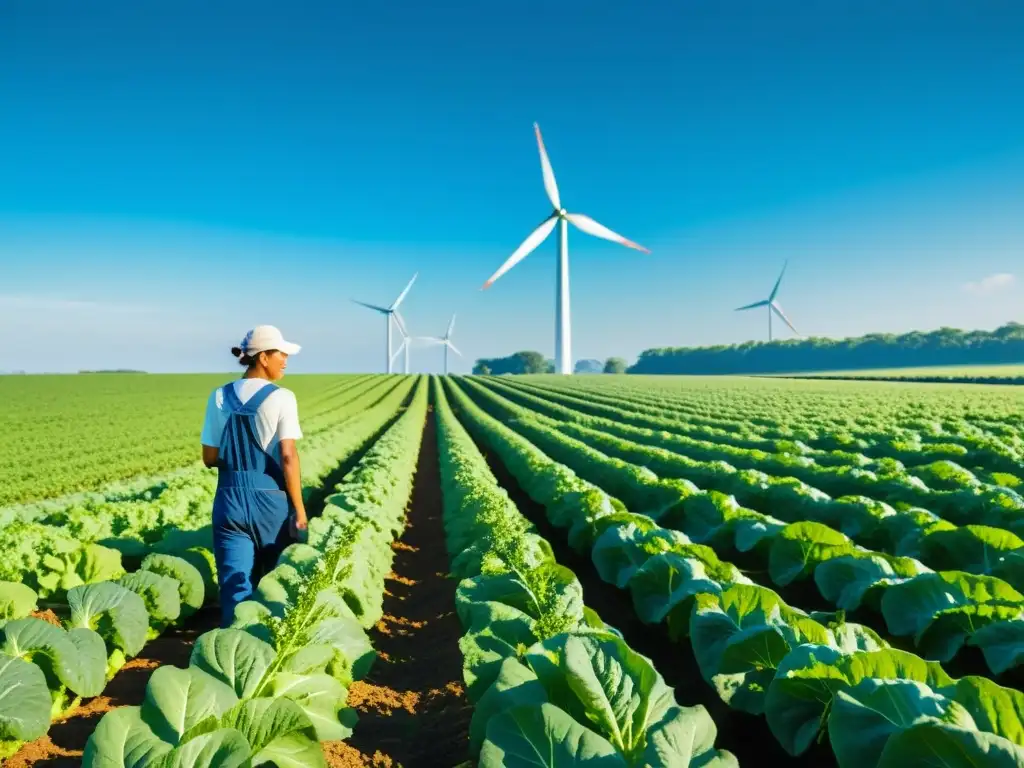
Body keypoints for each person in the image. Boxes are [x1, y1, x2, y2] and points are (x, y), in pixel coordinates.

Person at [200, 324, 308, 627]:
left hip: (229, 501)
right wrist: (299, 511)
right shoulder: (283, 397)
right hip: (270, 501)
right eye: (281, 354)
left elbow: (209, 458)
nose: (285, 360)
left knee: (235, 587)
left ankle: (234, 648)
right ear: (263, 357)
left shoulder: (219, 396)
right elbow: (288, 456)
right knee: (276, 588)